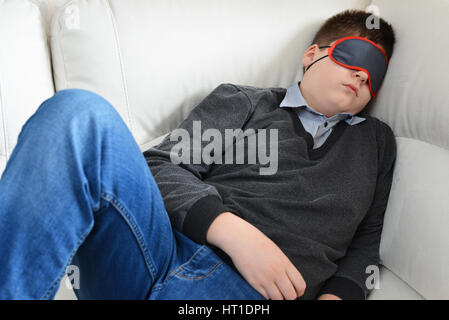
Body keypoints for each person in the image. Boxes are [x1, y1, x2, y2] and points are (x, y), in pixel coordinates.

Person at [0, 9, 396, 300]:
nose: (363, 75)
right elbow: (161, 166)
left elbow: (365, 245)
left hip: (253, 299)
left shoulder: (376, 143)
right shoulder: (244, 101)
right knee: (77, 111)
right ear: (312, 55)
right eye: (354, 58)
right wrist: (236, 234)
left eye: (374, 76)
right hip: (159, 255)